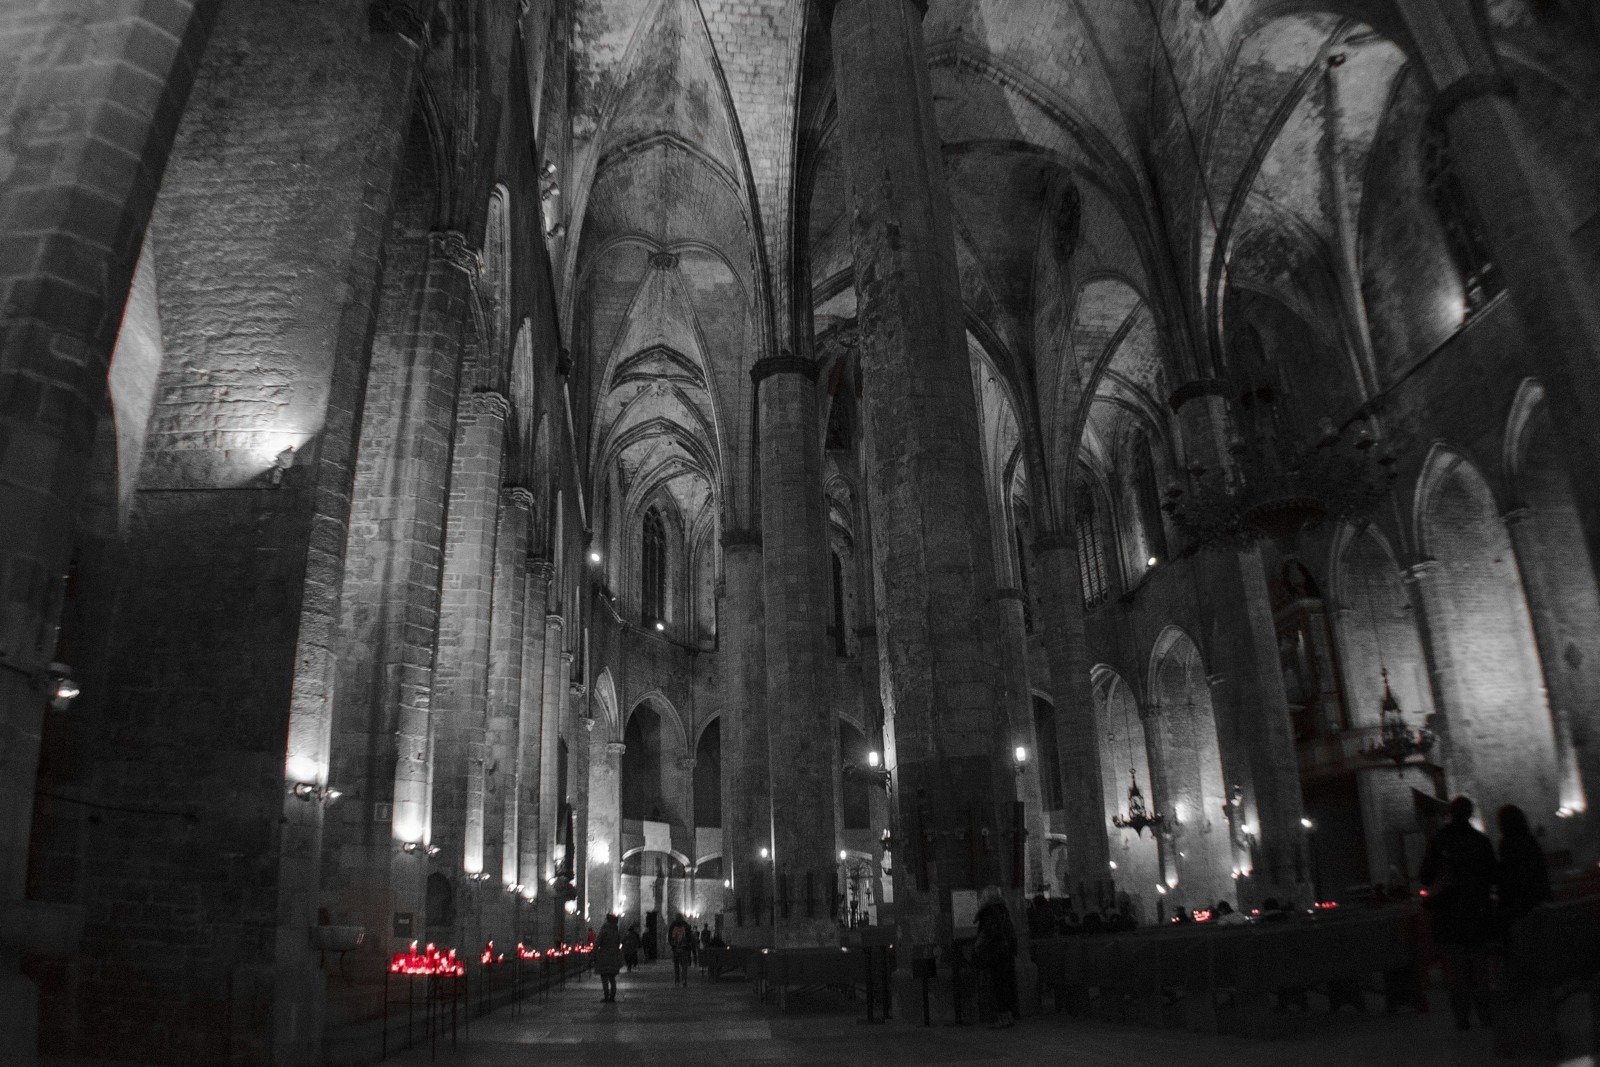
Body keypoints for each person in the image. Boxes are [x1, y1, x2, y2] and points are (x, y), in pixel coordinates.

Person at [1419, 795, 1497, 1030]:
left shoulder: (1440, 841)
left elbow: (1425, 876)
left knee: (1456, 972)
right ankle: (1485, 1015)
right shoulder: (1481, 842)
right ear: (1470, 814)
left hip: (1449, 914)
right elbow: (1493, 875)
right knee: (1480, 969)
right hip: (1477, 912)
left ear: (1451, 813)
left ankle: (1462, 1018)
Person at [1496, 803, 1552, 929]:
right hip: (1536, 897)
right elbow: (1540, 869)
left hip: (1520, 901)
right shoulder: (1529, 840)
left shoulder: (1507, 844)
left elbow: (1509, 874)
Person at [973, 885, 1018, 1029]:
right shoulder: (1003, 910)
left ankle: (1001, 1018)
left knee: (997, 987)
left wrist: (978, 948)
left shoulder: (988, 913)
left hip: (995, 955)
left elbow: (988, 934)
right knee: (1006, 986)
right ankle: (1008, 1016)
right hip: (1006, 954)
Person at [593, 914, 624, 1002]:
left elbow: (597, 943)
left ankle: (606, 996)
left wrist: (593, 955)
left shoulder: (604, 931)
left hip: (604, 956)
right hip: (614, 956)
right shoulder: (616, 931)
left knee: (604, 977)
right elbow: (618, 944)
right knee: (612, 977)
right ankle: (612, 997)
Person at [667, 911, 694, 987]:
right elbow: (689, 937)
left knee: (676, 965)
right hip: (684, 948)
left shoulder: (673, 925)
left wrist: (672, 945)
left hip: (675, 948)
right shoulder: (686, 925)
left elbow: (669, 936)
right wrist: (688, 945)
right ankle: (684, 980)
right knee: (684, 965)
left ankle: (677, 981)